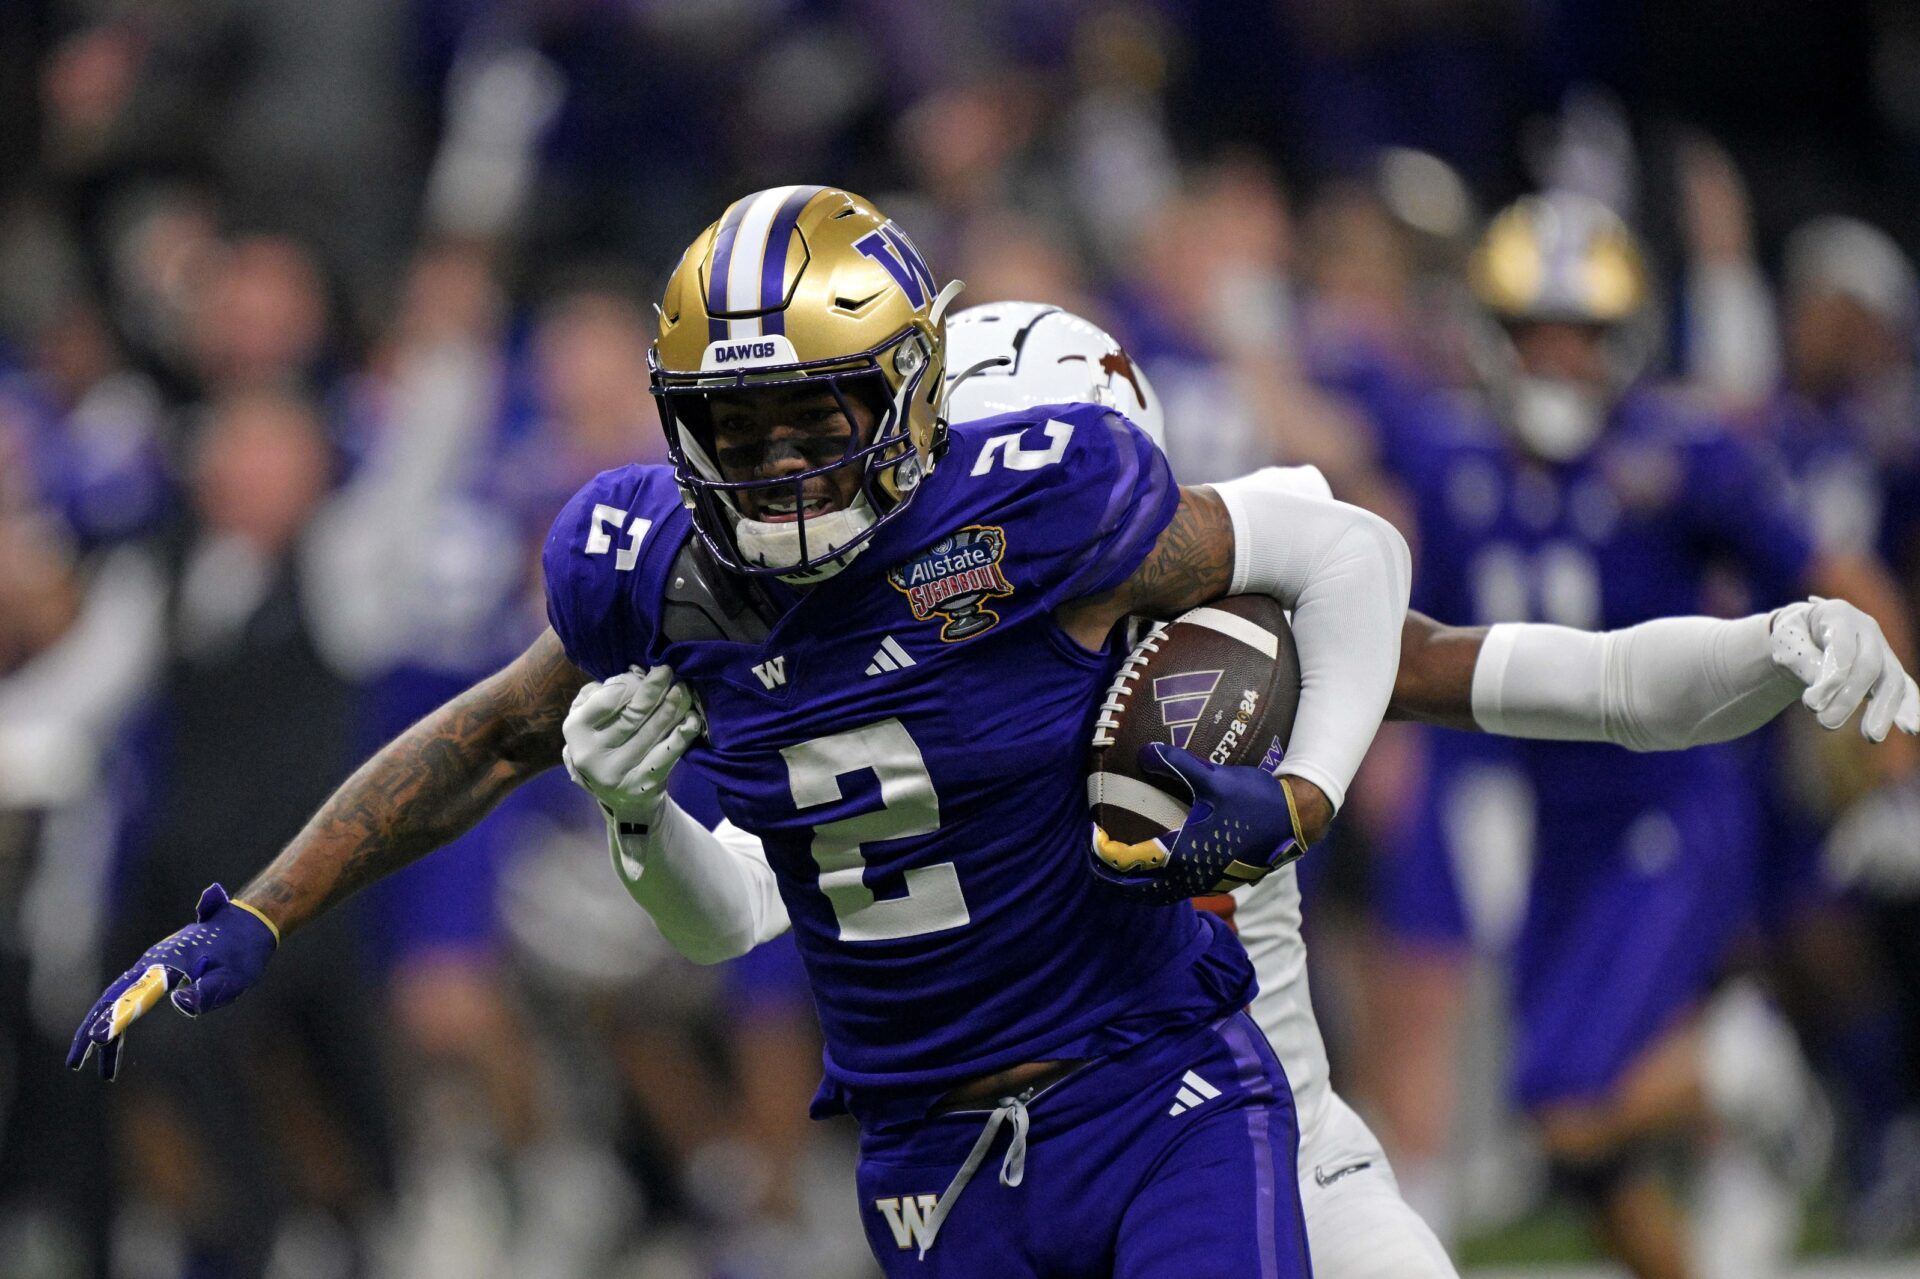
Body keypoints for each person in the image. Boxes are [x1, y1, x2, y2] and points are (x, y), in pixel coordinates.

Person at [76, 186, 1425, 1279]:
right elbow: (486, 736)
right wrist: (262, 910)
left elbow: (1349, 552)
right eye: (736, 423)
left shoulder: (1033, 502)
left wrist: (1304, 792)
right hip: (925, 1151)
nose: (776, 461)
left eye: (816, 416)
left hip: (1153, 1087)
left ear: (906, 394)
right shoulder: (654, 566)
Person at [568, 298, 1919, 1279]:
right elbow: (743, 899)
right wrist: (637, 823)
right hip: (997, 1163)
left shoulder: (1230, 595)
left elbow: (1584, 680)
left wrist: (1773, 645)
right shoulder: (875, 656)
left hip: (1257, 1138)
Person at [1371, 192, 1916, 1279]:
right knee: (1572, 1149)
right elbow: (1414, 640)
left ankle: (1738, 1065)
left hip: (1672, 804)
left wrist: (1901, 759)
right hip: (1555, 819)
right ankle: (1726, 1087)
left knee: (1565, 1100)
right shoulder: (1452, 462)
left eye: (1585, 333)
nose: (1561, 357)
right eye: (1538, 329)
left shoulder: (1684, 451)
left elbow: (1836, 585)